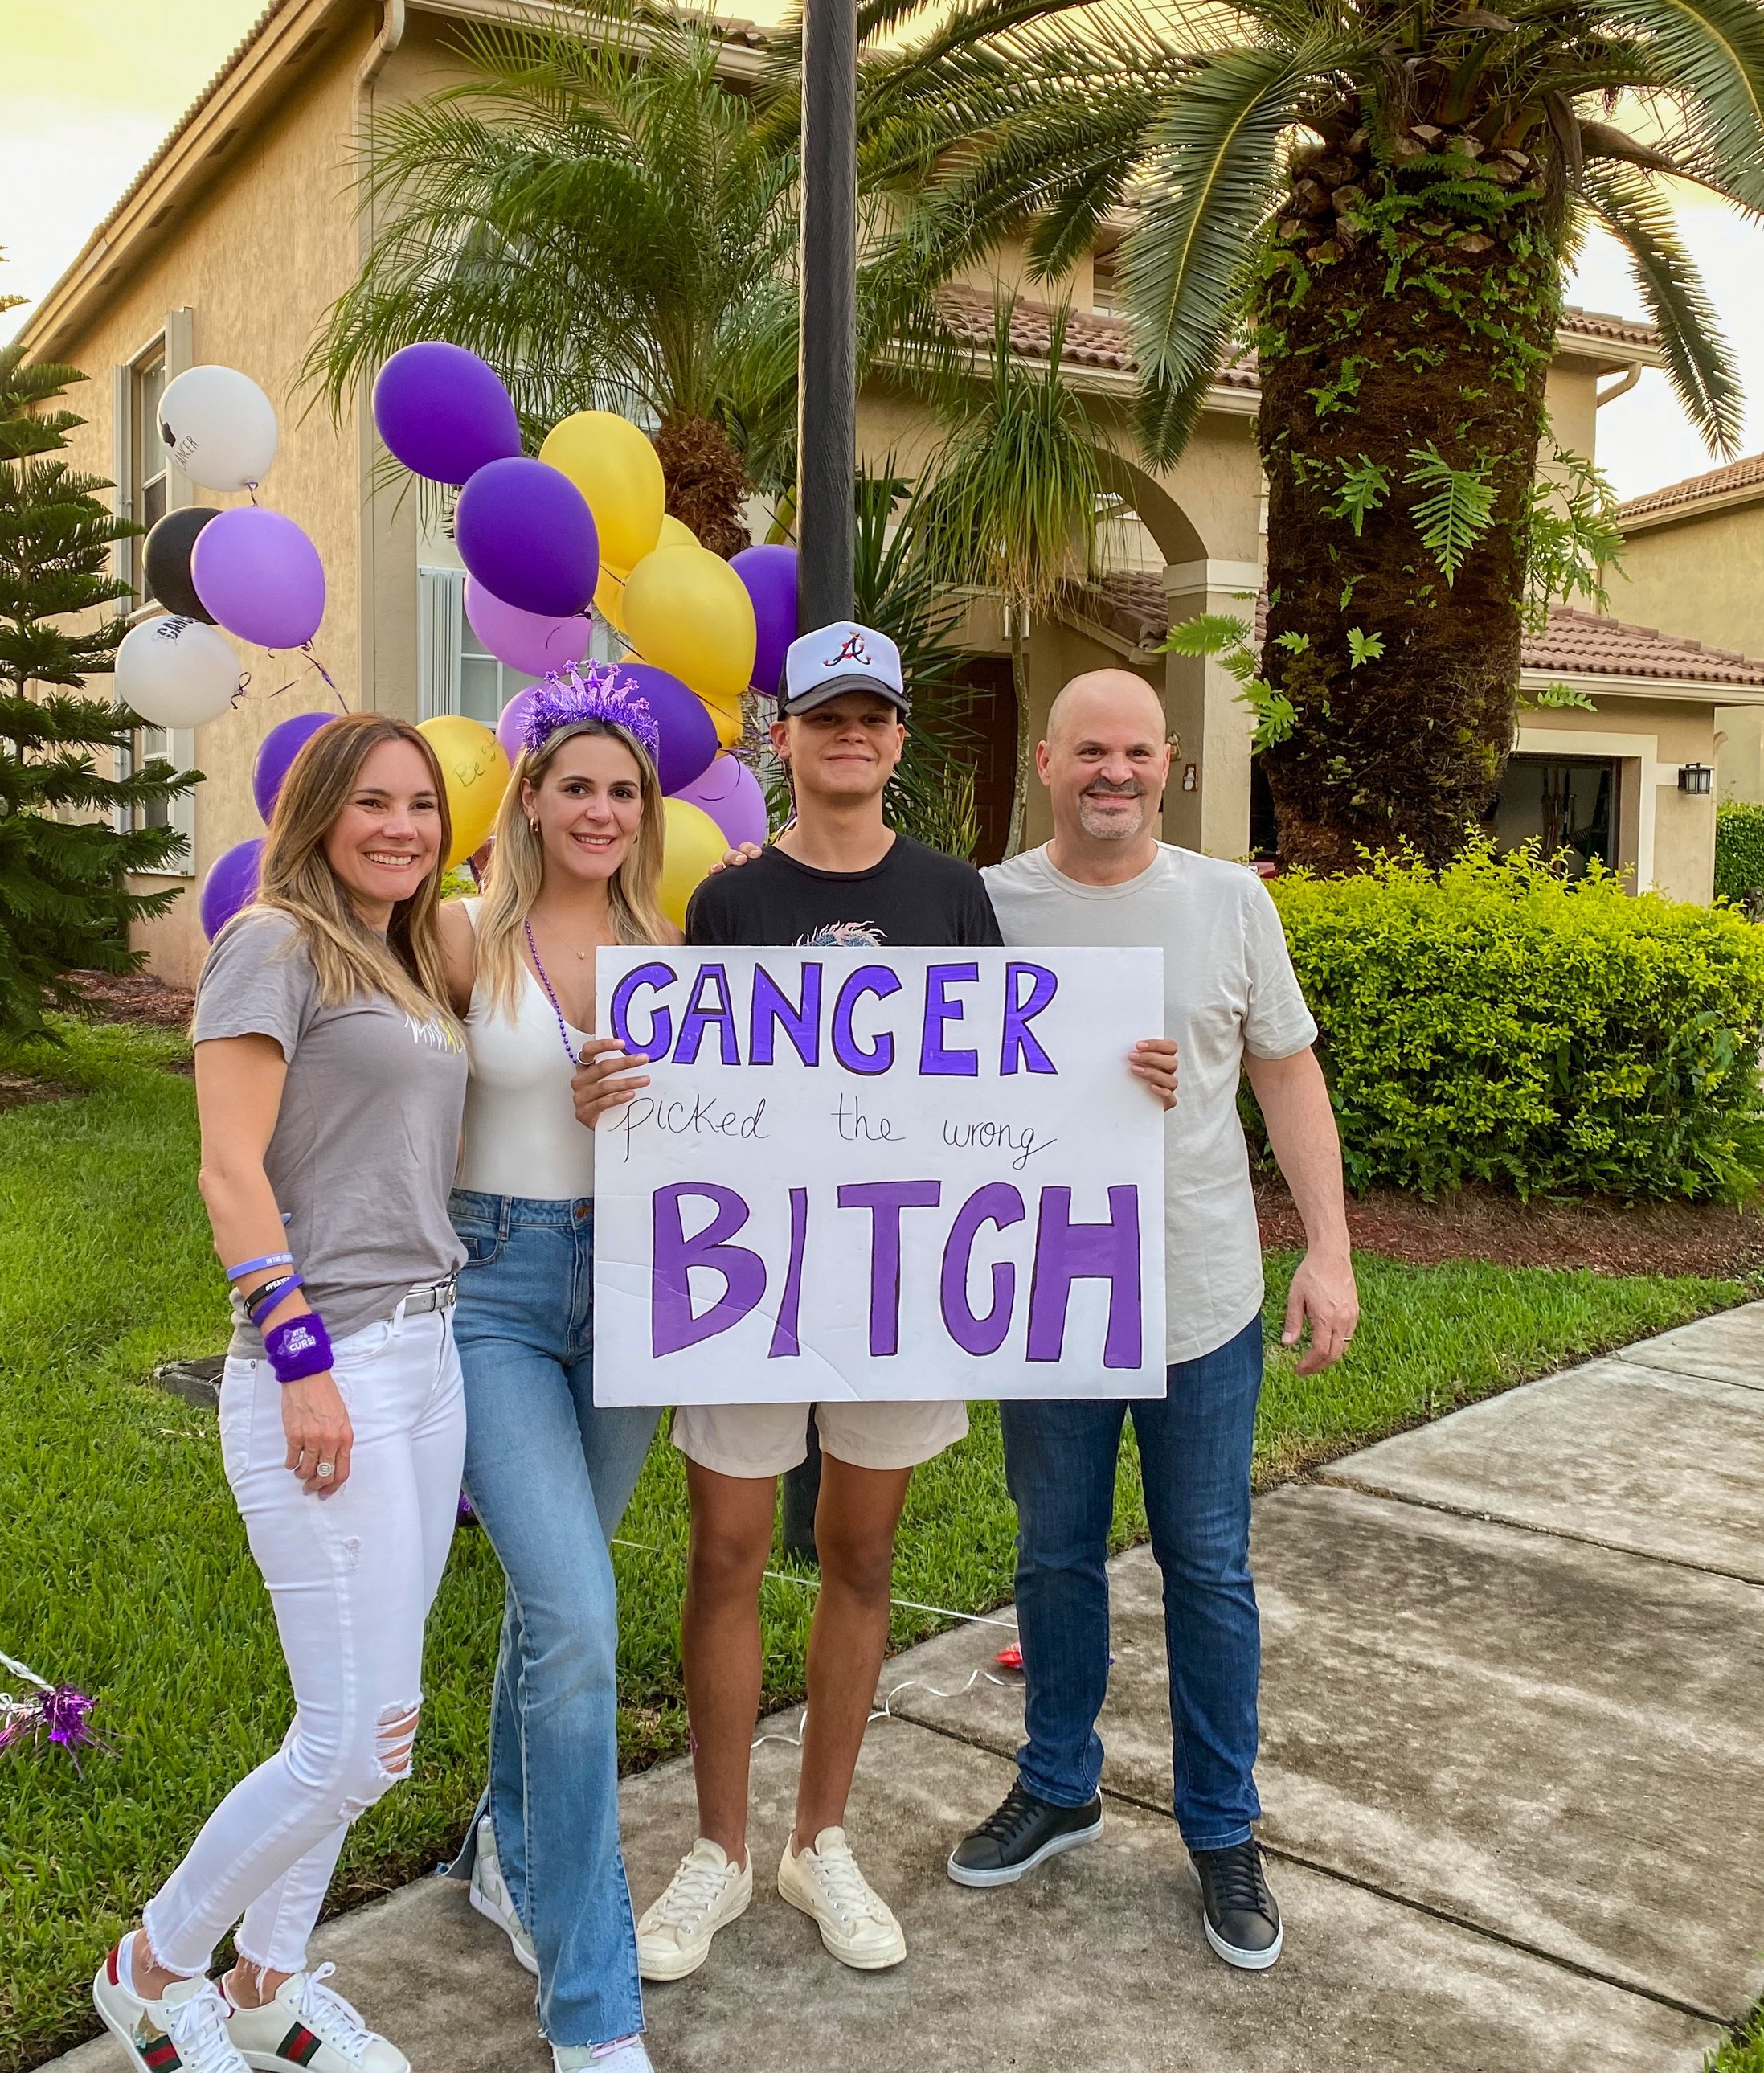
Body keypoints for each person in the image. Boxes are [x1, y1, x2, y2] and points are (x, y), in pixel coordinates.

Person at [574, 621, 1178, 1980]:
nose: (849, 735)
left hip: (903, 1278)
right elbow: (693, 1091)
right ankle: (719, 1848)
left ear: (900, 740)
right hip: (751, 1282)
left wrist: (1117, 1086)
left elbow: (1006, 1071)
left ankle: (819, 1836)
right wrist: (617, 1094)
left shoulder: (953, 892)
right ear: (778, 736)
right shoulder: (726, 904)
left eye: (872, 716)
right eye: (823, 714)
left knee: (860, 1555)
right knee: (726, 1552)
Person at [948, 667, 1358, 1972]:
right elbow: (925, 1087)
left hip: (1201, 1293)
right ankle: (1059, 1780)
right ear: (1046, 765)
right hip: (1046, 1294)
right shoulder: (988, 907)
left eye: (1135, 751)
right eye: (1089, 752)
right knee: (1054, 1553)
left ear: (1168, 764)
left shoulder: (1230, 902)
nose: (1112, 772)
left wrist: (1330, 1251)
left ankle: (1223, 1828)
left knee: (1209, 1564)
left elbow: (1289, 1076)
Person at [93, 715, 469, 2073]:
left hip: (430, 1359)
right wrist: (301, 1356)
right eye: (371, 801)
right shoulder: (275, 944)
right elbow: (229, 1175)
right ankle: (156, 1962)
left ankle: (269, 1980)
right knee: (349, 1739)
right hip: (332, 1367)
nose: (401, 825)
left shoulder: (413, 951)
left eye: (423, 804)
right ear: (316, 811)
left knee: (387, 1713)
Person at [438, 666, 674, 2073]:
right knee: (581, 1618)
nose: (599, 808)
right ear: (530, 796)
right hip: (498, 1286)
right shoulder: (470, 937)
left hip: (646, 1294)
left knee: (554, 1602)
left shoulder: (676, 945)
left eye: (623, 790)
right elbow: (386, 1084)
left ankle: (504, 1848)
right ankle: (593, 1991)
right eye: (575, 783)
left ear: (646, 814)